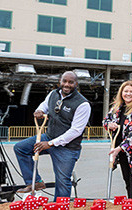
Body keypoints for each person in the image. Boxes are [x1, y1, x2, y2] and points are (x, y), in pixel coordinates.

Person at [14, 71, 90, 200]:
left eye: (71, 82)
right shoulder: (53, 94)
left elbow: (76, 131)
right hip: (49, 137)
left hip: (67, 147)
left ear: (76, 84)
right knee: (20, 148)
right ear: (60, 81)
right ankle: (36, 182)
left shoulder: (83, 104)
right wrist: (40, 110)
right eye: (64, 81)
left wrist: (50, 144)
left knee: (63, 181)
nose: (67, 84)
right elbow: (45, 105)